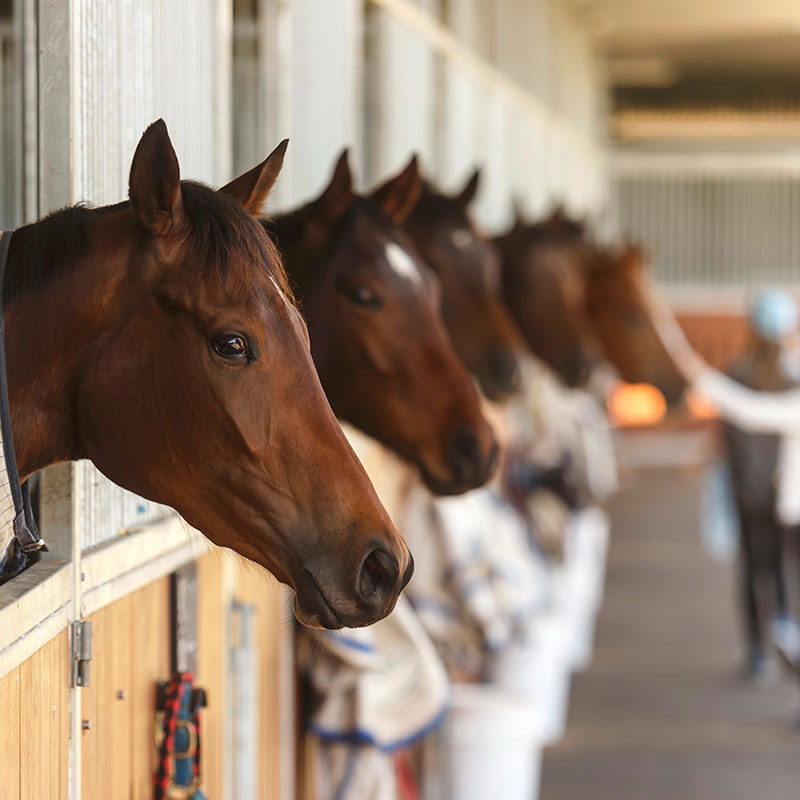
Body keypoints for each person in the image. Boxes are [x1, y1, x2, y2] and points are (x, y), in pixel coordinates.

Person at [648, 287, 800, 675]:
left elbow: (739, 419)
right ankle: (785, 631)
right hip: (785, 497)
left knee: (754, 568)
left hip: (749, 488)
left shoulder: (737, 374)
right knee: (786, 571)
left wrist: (700, 375)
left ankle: (759, 650)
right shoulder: (792, 376)